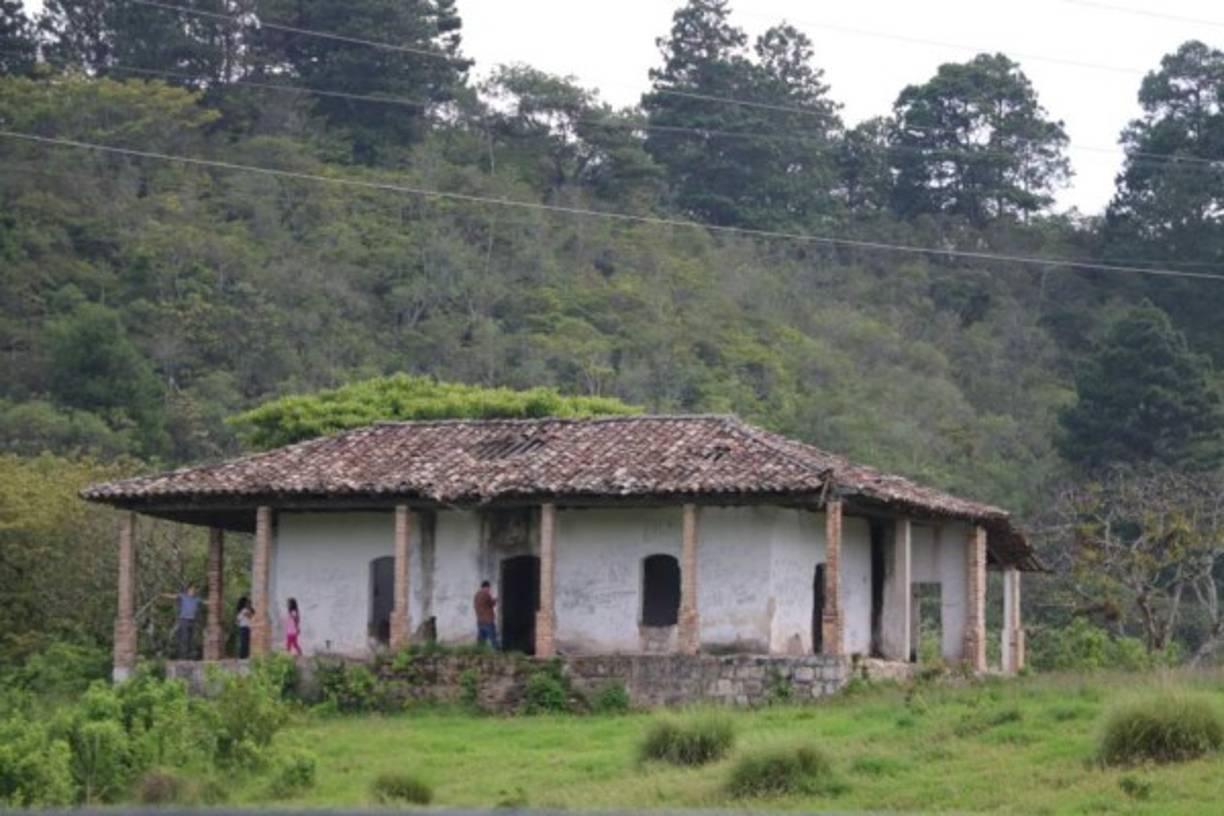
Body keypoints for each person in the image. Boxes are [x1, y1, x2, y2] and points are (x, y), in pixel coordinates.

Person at [162, 584, 204, 660]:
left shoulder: (197, 599)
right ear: (188, 591)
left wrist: (215, 601)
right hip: (184, 620)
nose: (193, 591)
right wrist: (163, 594)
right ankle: (182, 656)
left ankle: (189, 656)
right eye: (191, 590)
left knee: (190, 638)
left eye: (194, 590)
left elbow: (205, 602)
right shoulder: (183, 596)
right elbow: (173, 596)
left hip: (192, 621)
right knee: (184, 637)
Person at [474, 580, 499, 650]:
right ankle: (497, 652)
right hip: (488, 620)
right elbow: (490, 604)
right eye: (489, 588)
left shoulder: (477, 595)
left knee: (481, 640)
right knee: (493, 638)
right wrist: (495, 600)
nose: (489, 590)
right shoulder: (486, 594)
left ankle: (480, 652)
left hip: (480, 620)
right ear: (486, 587)